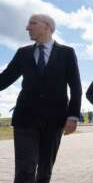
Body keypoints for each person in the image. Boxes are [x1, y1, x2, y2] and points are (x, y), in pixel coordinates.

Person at [0, 14, 82, 183]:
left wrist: (73, 116)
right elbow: (5, 78)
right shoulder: (23, 53)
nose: (27, 27)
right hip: (25, 119)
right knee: (24, 169)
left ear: (47, 27)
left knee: (45, 171)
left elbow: (75, 87)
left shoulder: (67, 53)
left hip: (54, 120)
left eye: (32, 23)